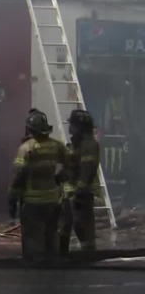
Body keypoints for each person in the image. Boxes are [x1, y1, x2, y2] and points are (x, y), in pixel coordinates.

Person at [8, 109, 69, 261]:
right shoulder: (57, 146)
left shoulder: (26, 149)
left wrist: (12, 199)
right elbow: (72, 164)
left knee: (33, 243)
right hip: (53, 201)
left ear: (29, 129)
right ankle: (54, 272)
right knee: (52, 237)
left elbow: (19, 176)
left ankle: (35, 276)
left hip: (32, 204)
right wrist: (60, 178)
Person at [60, 109, 101, 256]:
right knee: (64, 225)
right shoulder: (78, 144)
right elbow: (71, 167)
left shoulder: (89, 145)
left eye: (73, 125)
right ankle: (61, 256)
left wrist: (80, 192)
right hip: (69, 192)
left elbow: (87, 170)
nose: (70, 128)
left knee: (82, 226)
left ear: (80, 127)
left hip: (80, 194)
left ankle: (89, 256)